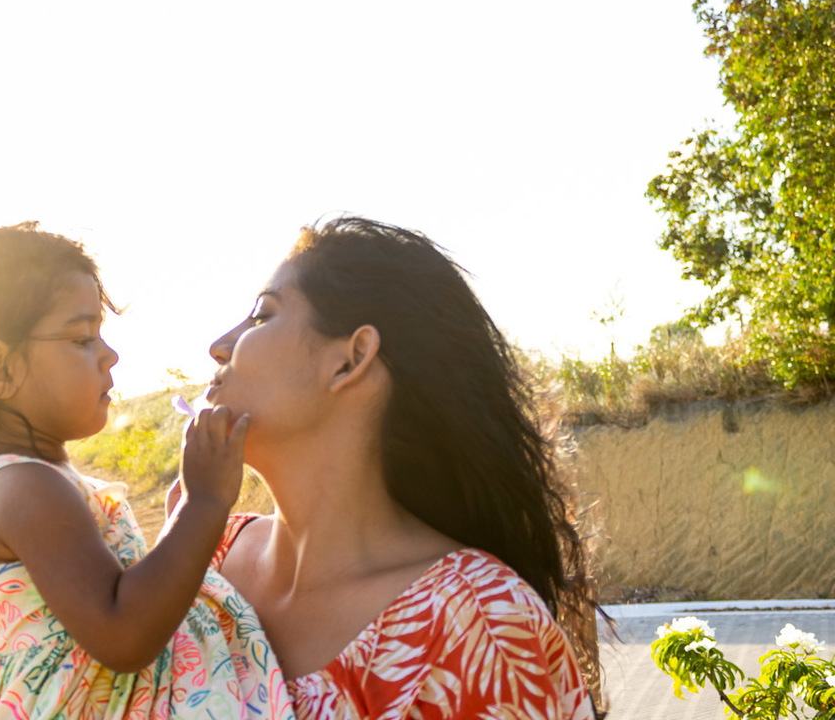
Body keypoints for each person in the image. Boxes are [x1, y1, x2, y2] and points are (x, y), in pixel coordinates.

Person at [198, 216, 601, 719]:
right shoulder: (196, 559)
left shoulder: (477, 622)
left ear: (351, 359)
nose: (219, 345)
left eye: (262, 315)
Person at [0, 220, 294, 720]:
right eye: (82, 339)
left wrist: (180, 521)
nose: (110, 355)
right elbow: (124, 634)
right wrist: (205, 504)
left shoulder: (34, 480)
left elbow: (112, 590)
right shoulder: (26, 486)